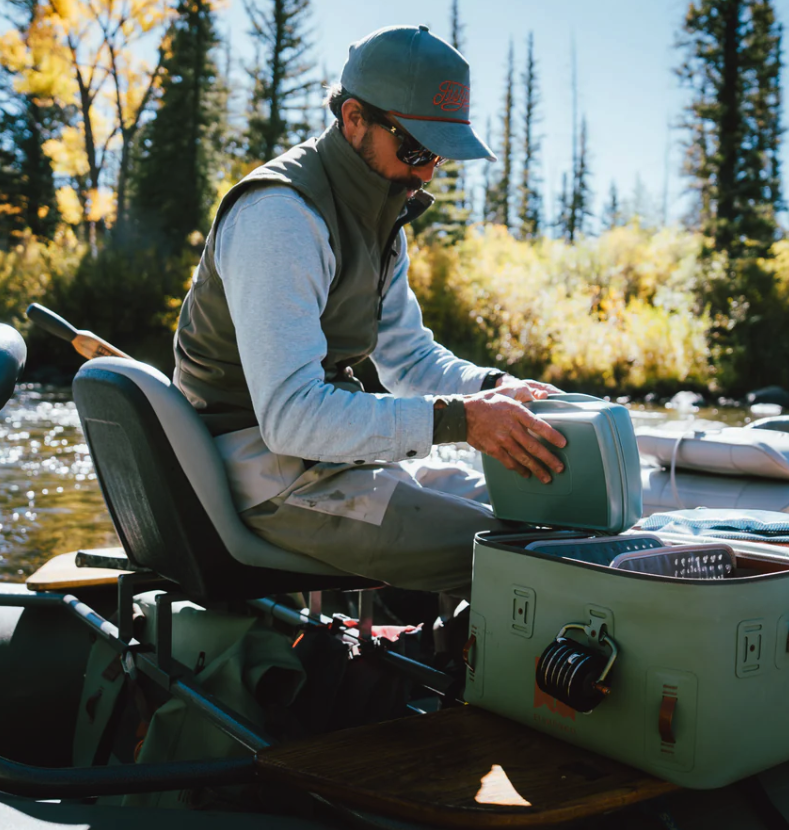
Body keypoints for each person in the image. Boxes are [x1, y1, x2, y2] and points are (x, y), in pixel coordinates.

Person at [172, 24, 566, 593]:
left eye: (441, 155)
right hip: (257, 474)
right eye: (417, 148)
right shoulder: (281, 217)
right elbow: (291, 418)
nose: (429, 170)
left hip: (328, 460)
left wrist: (495, 388)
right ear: (354, 118)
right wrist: (462, 421)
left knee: (552, 526)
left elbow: (408, 361)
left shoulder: (383, 215)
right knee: (521, 558)